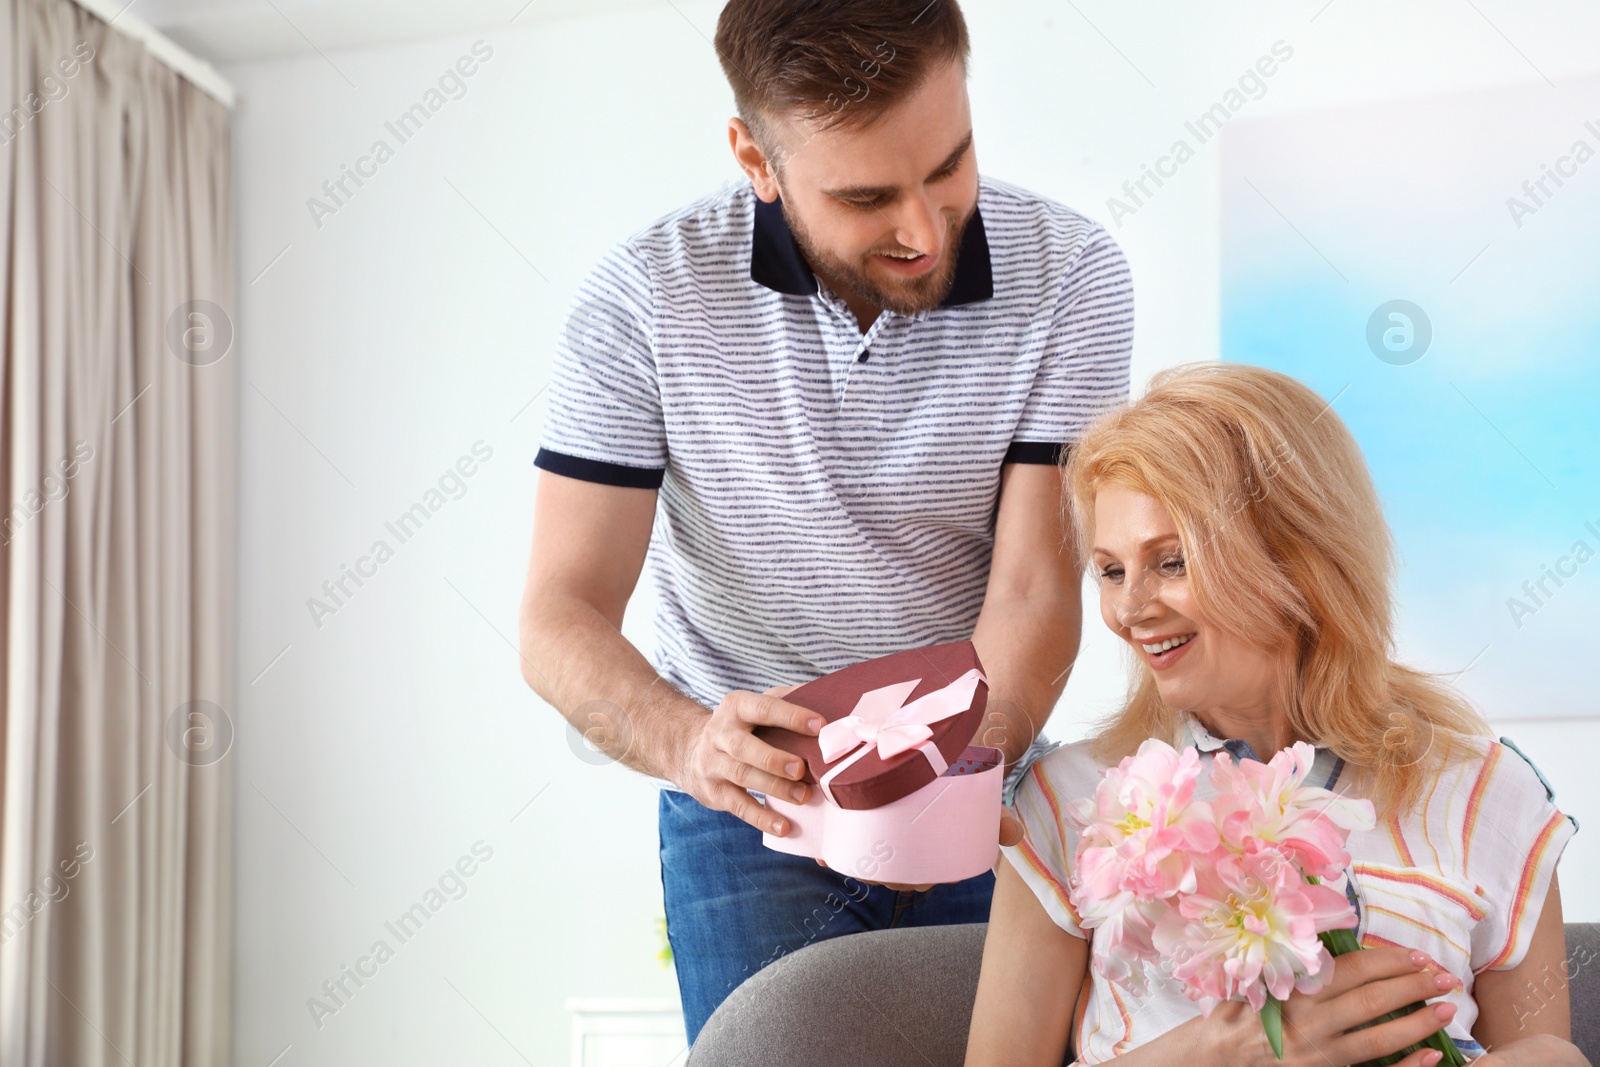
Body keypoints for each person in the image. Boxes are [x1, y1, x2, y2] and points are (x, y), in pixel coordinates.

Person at [517, 0, 1134, 1045]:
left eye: (949, 164)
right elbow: (559, 611)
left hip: (975, 775)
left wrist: (939, 781)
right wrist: (690, 743)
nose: (925, 228)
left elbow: (1034, 587)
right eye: (866, 196)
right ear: (754, 158)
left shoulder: (1069, 273)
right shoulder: (641, 299)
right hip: (749, 810)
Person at [969, 362, 1584, 1066]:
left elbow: (1541, 1047)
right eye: (1111, 570)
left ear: (1297, 559)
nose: (1129, 608)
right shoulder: (1068, 800)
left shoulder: (1487, 793)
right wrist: (1218, 1052)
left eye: (1170, 562)